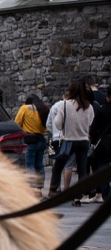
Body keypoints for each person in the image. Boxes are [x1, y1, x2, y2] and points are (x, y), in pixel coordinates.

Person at [46, 78, 95, 206]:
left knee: (58, 166)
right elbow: (91, 123)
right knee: (82, 170)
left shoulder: (65, 104)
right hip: (83, 141)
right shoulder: (88, 106)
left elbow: (57, 123)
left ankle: (53, 190)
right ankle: (78, 197)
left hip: (69, 140)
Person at [14, 94, 49, 191]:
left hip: (30, 140)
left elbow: (17, 123)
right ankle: (40, 188)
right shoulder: (44, 109)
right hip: (41, 139)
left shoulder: (24, 108)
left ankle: (33, 189)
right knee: (40, 165)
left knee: (30, 165)